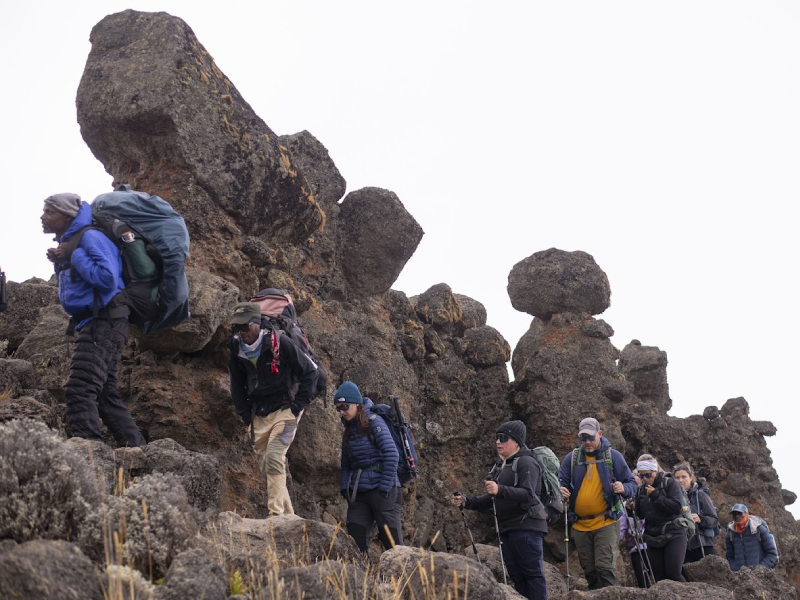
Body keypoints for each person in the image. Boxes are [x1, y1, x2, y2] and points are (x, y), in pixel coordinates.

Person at [41, 193, 146, 447]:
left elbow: (107, 279)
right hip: (98, 321)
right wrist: (65, 256)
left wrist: (74, 255)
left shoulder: (90, 237)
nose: (42, 217)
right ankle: (138, 453)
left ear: (67, 216)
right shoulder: (73, 242)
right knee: (106, 395)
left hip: (104, 321)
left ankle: (89, 454)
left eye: (49, 212)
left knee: (80, 389)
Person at [228, 301, 318, 516]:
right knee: (267, 467)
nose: (241, 332)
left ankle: (275, 515)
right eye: (237, 327)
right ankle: (289, 518)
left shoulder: (280, 342)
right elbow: (236, 385)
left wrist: (297, 406)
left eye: (245, 326)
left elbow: (310, 372)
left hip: (286, 408)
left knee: (275, 457)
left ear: (257, 323)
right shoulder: (235, 348)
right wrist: (246, 416)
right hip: (259, 413)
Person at [452, 420, 548, 600]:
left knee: (533, 575)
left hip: (527, 527)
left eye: (503, 438)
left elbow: (529, 494)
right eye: (497, 438)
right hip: (507, 529)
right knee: (517, 576)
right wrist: (467, 502)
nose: (498, 442)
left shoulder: (527, 462)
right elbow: (492, 498)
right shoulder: (502, 465)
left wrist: (500, 489)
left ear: (516, 441)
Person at [558, 417, 637, 589]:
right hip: (579, 524)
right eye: (583, 438)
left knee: (604, 568)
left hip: (606, 521)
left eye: (591, 437)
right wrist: (561, 490)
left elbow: (632, 483)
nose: (587, 442)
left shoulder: (613, 456)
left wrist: (624, 488)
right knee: (590, 571)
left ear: (600, 434)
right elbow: (560, 482)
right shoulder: (572, 458)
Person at [336, 381, 402, 554]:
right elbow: (346, 464)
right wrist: (345, 489)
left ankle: (401, 573)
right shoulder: (348, 431)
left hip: (383, 490)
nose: (342, 411)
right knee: (355, 545)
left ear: (357, 404)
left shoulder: (374, 422)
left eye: (345, 406)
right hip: (359, 493)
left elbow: (392, 454)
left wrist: (384, 488)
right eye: (338, 408)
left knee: (393, 546)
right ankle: (364, 572)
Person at [634, 455, 688, 582]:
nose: (645, 479)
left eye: (648, 475)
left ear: (656, 471)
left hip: (674, 534)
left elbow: (676, 507)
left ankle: (691, 593)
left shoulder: (670, 483)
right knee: (660, 578)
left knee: (674, 574)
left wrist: (655, 495)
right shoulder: (641, 490)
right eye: (641, 476)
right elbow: (641, 515)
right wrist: (631, 509)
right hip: (653, 536)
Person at [673, 462, 719, 563]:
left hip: (702, 544)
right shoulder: (673, 498)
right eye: (677, 478)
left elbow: (714, 520)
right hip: (681, 547)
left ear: (691, 478)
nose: (680, 480)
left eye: (683, 477)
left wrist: (700, 519)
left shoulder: (700, 495)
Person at [619, 473, 651, 588]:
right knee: (641, 578)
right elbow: (622, 527)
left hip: (651, 544)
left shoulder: (650, 501)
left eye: (639, 484)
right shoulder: (625, 505)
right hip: (635, 546)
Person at [725, 503, 779, 571]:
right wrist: (735, 569)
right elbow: (729, 557)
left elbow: (772, 554)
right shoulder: (730, 533)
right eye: (734, 514)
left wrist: (760, 569)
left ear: (746, 514)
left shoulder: (758, 529)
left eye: (740, 513)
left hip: (759, 575)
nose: (737, 516)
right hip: (739, 576)